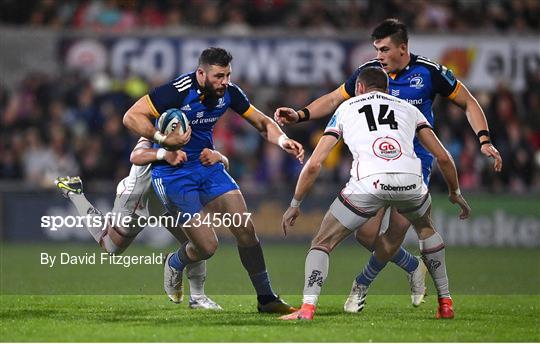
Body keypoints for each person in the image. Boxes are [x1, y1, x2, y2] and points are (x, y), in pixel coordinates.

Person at [274, 18, 502, 318]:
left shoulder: (429, 72)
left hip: (416, 160)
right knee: (367, 235)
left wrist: (484, 140)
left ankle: (361, 285)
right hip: (381, 163)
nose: (379, 55)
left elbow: (469, 102)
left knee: (394, 233)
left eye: (384, 49)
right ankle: (413, 267)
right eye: (376, 49)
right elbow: (332, 98)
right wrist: (301, 114)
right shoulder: (370, 72)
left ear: (403, 48)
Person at [122, 47, 305, 313]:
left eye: (228, 75)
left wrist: (282, 140)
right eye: (219, 76)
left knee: (245, 228)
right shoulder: (176, 90)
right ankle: (174, 262)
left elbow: (262, 122)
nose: (224, 82)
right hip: (173, 174)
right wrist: (164, 140)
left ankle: (266, 298)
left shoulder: (229, 92)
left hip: (208, 166)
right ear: (201, 73)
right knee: (207, 247)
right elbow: (131, 116)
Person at [54, 140, 228, 309]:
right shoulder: (156, 127)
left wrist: (219, 156)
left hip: (169, 193)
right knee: (111, 247)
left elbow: (213, 162)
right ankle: (75, 193)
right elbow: (136, 155)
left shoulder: (192, 127)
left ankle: (197, 297)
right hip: (138, 199)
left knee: (197, 240)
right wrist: (163, 153)